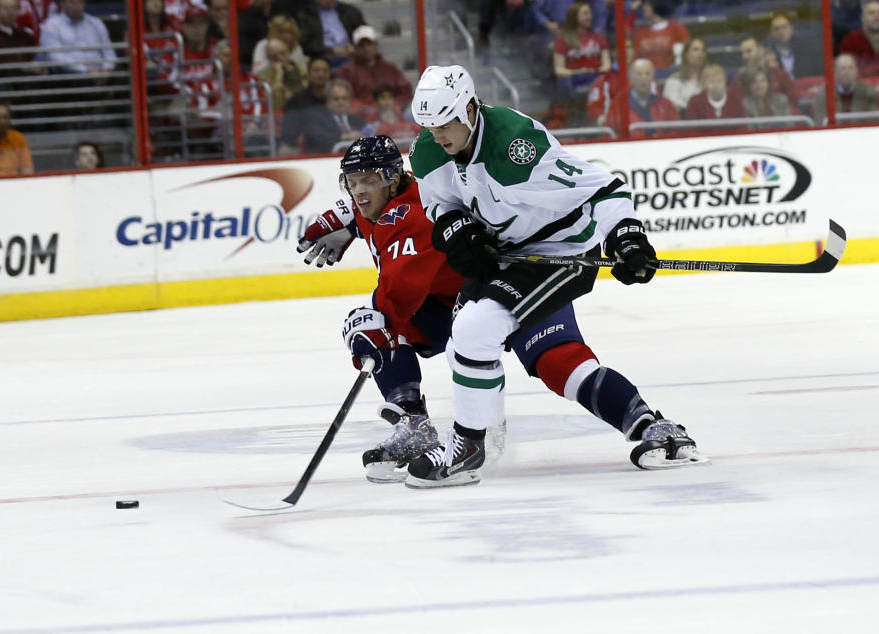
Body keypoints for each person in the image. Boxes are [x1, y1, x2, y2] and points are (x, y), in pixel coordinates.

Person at [297, 135, 707, 484]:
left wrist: (377, 331)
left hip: (508, 286)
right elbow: (363, 209)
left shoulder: (411, 218)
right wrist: (348, 218)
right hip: (459, 302)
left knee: (559, 365)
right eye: (352, 182)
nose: (360, 191)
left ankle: (652, 425)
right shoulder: (378, 198)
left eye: (369, 179)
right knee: (377, 321)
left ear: (391, 177)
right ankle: (415, 427)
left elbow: (398, 291)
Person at [401, 65, 705, 487]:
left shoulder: (515, 147)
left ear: (470, 108)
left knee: (477, 328)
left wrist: (626, 235)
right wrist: (456, 228)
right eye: (429, 126)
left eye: (446, 123)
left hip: (559, 252)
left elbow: (603, 189)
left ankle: (467, 444)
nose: (439, 135)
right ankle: (647, 425)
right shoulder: (429, 150)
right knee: (485, 349)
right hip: (506, 256)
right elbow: (440, 204)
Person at [335, 25, 414, 112]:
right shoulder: (346, 71)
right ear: (355, 47)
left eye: (369, 44)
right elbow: (343, 98)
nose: (365, 48)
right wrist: (365, 109)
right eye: (361, 45)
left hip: (391, 116)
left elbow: (406, 91)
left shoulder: (390, 68)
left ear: (376, 44)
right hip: (360, 119)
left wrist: (395, 106)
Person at [282, 76, 364, 154]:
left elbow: (370, 134)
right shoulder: (314, 118)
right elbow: (318, 138)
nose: (341, 102)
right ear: (327, 101)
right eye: (336, 99)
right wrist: (345, 137)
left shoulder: (358, 120)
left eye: (344, 98)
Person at [603, 58, 680, 137]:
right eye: (639, 74)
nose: (644, 78)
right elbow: (610, 136)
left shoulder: (666, 105)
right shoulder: (618, 107)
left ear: (653, 78)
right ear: (630, 79)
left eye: (647, 73)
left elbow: (676, 133)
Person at [39, 0, 116, 74]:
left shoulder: (95, 23)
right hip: (71, 76)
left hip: (101, 73)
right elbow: (56, 57)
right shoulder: (52, 25)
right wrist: (86, 71)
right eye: (72, 2)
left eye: (80, 2)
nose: (77, 6)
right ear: (63, 4)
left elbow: (109, 52)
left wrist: (107, 69)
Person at [552, 1, 611, 94]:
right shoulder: (562, 40)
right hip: (574, 82)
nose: (590, 17)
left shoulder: (600, 38)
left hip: (596, 79)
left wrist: (593, 71)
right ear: (574, 17)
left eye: (590, 13)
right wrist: (579, 72)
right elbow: (559, 70)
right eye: (585, 14)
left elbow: (607, 65)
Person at [813, 53, 879, 123]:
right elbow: (820, 122)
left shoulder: (868, 92)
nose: (847, 72)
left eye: (850, 68)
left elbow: (873, 121)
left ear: (856, 71)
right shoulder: (823, 95)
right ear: (835, 72)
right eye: (843, 68)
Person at [295, 0, 366, 66]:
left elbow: (365, 33)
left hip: (352, 54)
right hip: (323, 57)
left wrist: (355, 47)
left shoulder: (350, 11)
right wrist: (331, 50)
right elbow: (307, 45)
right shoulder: (306, 15)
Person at [0, 0, 41, 74]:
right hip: (3, 80)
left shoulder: (26, 36)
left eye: (14, 8)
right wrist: (22, 67)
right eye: (6, 8)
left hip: (28, 79)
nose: (10, 12)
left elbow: (33, 59)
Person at [730, 37, 797, 105]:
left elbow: (793, 98)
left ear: (760, 50)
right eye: (742, 53)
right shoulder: (739, 78)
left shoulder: (779, 73)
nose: (744, 56)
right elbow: (736, 103)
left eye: (749, 51)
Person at [632, 0, 690, 69]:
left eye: (646, 5)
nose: (643, 8)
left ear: (656, 5)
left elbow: (687, 55)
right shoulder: (640, 32)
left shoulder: (677, 28)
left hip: (671, 73)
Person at [0, 101, 34, 177]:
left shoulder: (18, 138)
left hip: (14, 185)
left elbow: (27, 170)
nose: (2, 121)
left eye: (5, 117)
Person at [255, 37, 307, 111]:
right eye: (274, 56)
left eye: (282, 53)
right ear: (268, 57)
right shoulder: (263, 78)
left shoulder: (304, 72)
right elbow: (275, 105)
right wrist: (278, 77)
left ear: (289, 52)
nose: (279, 57)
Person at [765, 13, 823, 79]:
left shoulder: (805, 50)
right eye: (776, 29)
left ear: (791, 29)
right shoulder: (768, 54)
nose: (781, 31)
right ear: (772, 33)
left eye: (784, 27)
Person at [662, 37, 707, 113]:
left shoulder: (710, 80)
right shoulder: (673, 80)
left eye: (703, 50)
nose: (700, 54)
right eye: (695, 50)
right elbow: (670, 104)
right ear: (686, 54)